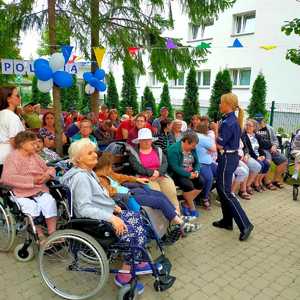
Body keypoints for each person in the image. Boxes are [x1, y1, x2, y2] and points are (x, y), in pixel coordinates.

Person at [61, 139, 148, 293]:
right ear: (78, 159)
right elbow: (83, 208)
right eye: (90, 153)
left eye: (94, 151)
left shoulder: (88, 172)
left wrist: (112, 206)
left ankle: (137, 259)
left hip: (103, 213)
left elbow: (96, 197)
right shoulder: (81, 178)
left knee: (138, 218)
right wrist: (112, 217)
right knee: (132, 229)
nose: (95, 155)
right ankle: (124, 273)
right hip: (94, 222)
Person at [94, 152, 200, 233]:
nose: (111, 167)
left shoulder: (108, 173)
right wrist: (119, 188)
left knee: (160, 194)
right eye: (110, 165)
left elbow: (121, 177)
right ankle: (182, 225)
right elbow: (109, 193)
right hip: (127, 198)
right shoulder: (100, 179)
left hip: (131, 192)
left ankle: (178, 216)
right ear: (105, 166)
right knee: (160, 202)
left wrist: (136, 180)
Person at [0, 131, 57, 243]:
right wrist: (32, 180)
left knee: (49, 202)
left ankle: (53, 233)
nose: (36, 146)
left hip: (38, 189)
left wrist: (47, 175)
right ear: (22, 144)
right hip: (19, 192)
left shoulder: (35, 156)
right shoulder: (12, 158)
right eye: (32, 143)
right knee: (31, 207)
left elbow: (49, 168)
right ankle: (40, 235)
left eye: (36, 143)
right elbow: (7, 178)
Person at [212, 93, 253, 241]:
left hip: (227, 158)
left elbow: (219, 144)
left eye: (221, 103)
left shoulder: (229, 122)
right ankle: (227, 221)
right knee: (223, 191)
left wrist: (215, 130)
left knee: (226, 192)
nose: (219, 105)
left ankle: (245, 224)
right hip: (229, 157)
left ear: (228, 105)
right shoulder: (229, 119)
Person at [128, 128, 180, 213]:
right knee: (157, 194)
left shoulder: (158, 150)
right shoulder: (134, 152)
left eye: (149, 139)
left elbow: (165, 163)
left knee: (171, 192)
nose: (147, 142)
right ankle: (167, 219)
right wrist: (152, 173)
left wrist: (158, 172)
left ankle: (178, 216)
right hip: (145, 178)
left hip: (161, 175)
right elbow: (137, 168)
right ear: (139, 141)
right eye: (144, 140)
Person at [167, 132, 204, 217]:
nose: (194, 148)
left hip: (191, 171)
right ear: (186, 142)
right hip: (176, 173)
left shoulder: (192, 149)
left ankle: (185, 204)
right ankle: (192, 207)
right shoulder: (173, 149)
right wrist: (188, 175)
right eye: (193, 145)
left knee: (201, 182)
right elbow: (174, 167)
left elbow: (197, 163)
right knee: (188, 185)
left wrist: (197, 171)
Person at [254, 113, 288, 189]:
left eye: (261, 121)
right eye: (257, 121)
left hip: (271, 148)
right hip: (262, 149)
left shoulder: (270, 128)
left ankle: (275, 180)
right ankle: (267, 182)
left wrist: (274, 146)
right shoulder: (254, 129)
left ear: (264, 120)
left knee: (284, 160)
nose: (259, 123)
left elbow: (275, 140)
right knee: (268, 161)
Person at [0, 86, 25, 175]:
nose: (19, 97)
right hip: (8, 158)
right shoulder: (11, 117)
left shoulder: (2, 114)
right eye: (17, 95)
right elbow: (14, 141)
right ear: (8, 99)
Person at [242, 119, 271, 192]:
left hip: (258, 156)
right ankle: (250, 184)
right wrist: (257, 157)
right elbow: (248, 149)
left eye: (250, 126)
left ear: (254, 127)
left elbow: (260, 148)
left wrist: (263, 155)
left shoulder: (257, 136)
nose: (247, 127)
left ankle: (258, 181)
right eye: (246, 125)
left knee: (267, 164)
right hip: (251, 156)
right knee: (261, 165)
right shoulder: (244, 136)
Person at [195, 122, 217, 210]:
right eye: (207, 128)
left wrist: (210, 148)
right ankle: (204, 197)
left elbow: (213, 149)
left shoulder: (200, 136)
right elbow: (214, 149)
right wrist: (209, 148)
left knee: (220, 173)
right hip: (201, 163)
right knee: (209, 178)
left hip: (209, 162)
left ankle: (206, 192)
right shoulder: (202, 137)